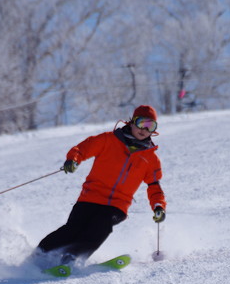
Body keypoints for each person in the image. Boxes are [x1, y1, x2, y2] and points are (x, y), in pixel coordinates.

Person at [34, 105, 166, 266]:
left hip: (117, 205)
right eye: (141, 123)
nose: (144, 130)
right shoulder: (108, 140)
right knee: (73, 229)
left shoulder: (150, 158)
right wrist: (73, 159)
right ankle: (39, 255)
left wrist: (158, 206)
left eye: (150, 126)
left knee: (101, 226)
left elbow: (154, 186)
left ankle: (73, 258)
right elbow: (82, 149)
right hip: (90, 197)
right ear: (131, 122)